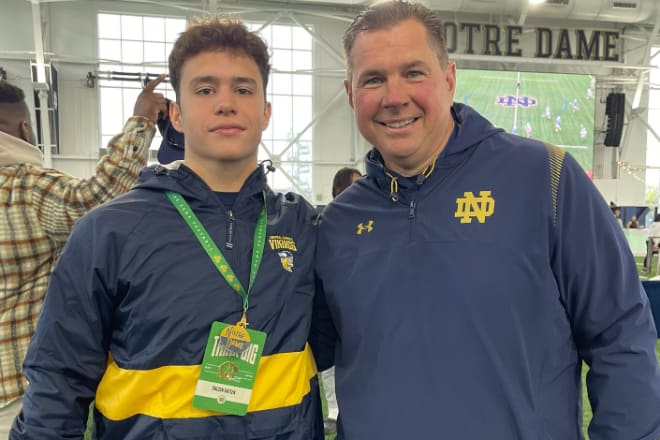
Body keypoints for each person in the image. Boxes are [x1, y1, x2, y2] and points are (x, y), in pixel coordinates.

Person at [312, 1, 660, 439]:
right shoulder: (338, 223)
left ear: (449, 79)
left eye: (413, 73)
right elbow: (301, 351)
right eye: (373, 79)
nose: (394, 96)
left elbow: (620, 337)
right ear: (350, 95)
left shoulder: (547, 179)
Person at [11, 17, 323, 439]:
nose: (226, 103)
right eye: (205, 89)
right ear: (176, 113)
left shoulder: (302, 224)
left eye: (244, 89)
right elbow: (58, 382)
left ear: (266, 111)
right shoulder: (108, 234)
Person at [0, 76, 166, 436]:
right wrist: (142, 123)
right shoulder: (24, 186)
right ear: (25, 130)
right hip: (19, 393)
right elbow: (95, 202)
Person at [320, 166, 361, 435]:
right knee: (328, 365)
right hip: (330, 302)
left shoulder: (370, 219)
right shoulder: (328, 222)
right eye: (352, 186)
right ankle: (333, 412)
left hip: (357, 306)